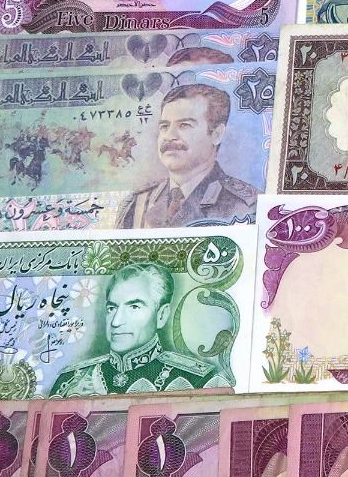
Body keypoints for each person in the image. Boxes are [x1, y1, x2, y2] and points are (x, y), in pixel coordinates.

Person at [49, 261, 225, 396]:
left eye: (134, 307)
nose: (116, 322)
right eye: (112, 308)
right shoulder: (70, 380)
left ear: (161, 315)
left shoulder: (198, 380)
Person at [119, 84, 258, 228]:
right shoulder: (136, 205)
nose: (169, 136)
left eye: (184, 125)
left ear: (217, 134)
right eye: (164, 126)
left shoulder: (248, 207)